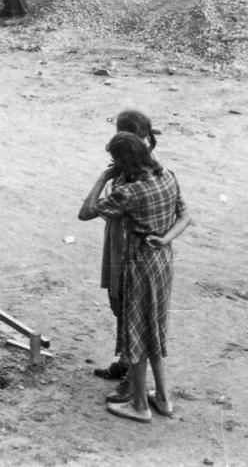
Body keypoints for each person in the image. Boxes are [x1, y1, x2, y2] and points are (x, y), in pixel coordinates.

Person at [79, 132, 191, 423]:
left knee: (136, 332)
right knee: (155, 326)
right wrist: (166, 238)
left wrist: (104, 178)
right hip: (162, 261)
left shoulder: (129, 192)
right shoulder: (167, 176)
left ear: (122, 162)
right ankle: (163, 398)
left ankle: (139, 404)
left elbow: (86, 211)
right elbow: (185, 216)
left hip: (137, 263)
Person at [94, 111, 161, 387]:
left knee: (125, 305)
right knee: (125, 306)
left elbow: (90, 210)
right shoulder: (148, 166)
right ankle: (125, 362)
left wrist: (103, 178)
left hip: (125, 243)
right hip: (127, 240)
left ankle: (131, 374)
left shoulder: (133, 173)